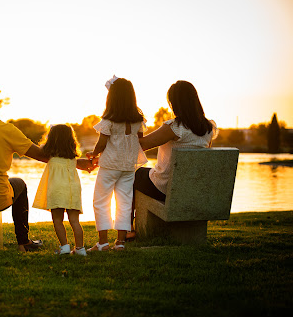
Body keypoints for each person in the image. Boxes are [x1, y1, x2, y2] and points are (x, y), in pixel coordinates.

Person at [0, 79, 93, 252]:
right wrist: (79, 163)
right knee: (19, 183)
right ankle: (23, 242)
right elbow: (42, 156)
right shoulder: (7, 130)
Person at [132, 80, 218, 238]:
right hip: (193, 190)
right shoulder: (208, 128)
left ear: (174, 103)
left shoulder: (175, 127)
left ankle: (130, 230)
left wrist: (137, 124)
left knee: (134, 175)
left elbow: (141, 145)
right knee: (145, 173)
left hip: (166, 188)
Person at [86, 76, 147, 251]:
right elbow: (139, 141)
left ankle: (103, 242)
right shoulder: (138, 120)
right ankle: (120, 242)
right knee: (125, 202)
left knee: (101, 201)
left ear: (111, 98)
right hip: (128, 167)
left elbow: (102, 143)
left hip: (109, 166)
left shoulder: (109, 120)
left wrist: (94, 153)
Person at [32, 124, 87, 256]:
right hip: (72, 189)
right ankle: (80, 249)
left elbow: (40, 148)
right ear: (71, 140)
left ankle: (64, 247)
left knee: (58, 220)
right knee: (75, 221)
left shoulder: (50, 155)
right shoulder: (73, 158)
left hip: (57, 189)